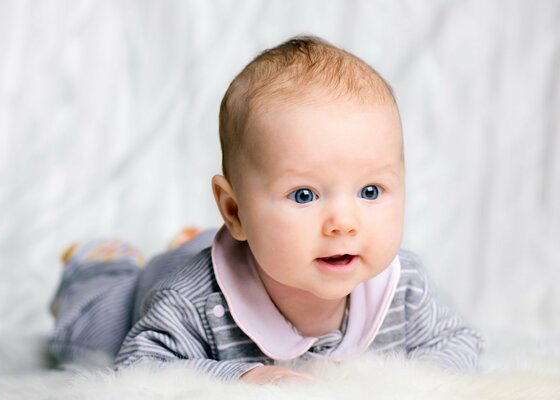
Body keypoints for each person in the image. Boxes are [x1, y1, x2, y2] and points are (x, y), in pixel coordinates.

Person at [49, 36, 482, 384]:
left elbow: (457, 344)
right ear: (233, 210)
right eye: (304, 196)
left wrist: (413, 385)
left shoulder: (402, 286)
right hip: (148, 287)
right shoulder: (192, 302)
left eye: (370, 191)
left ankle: (191, 238)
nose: (344, 224)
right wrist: (241, 377)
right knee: (89, 337)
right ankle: (100, 264)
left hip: (246, 246)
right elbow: (142, 368)